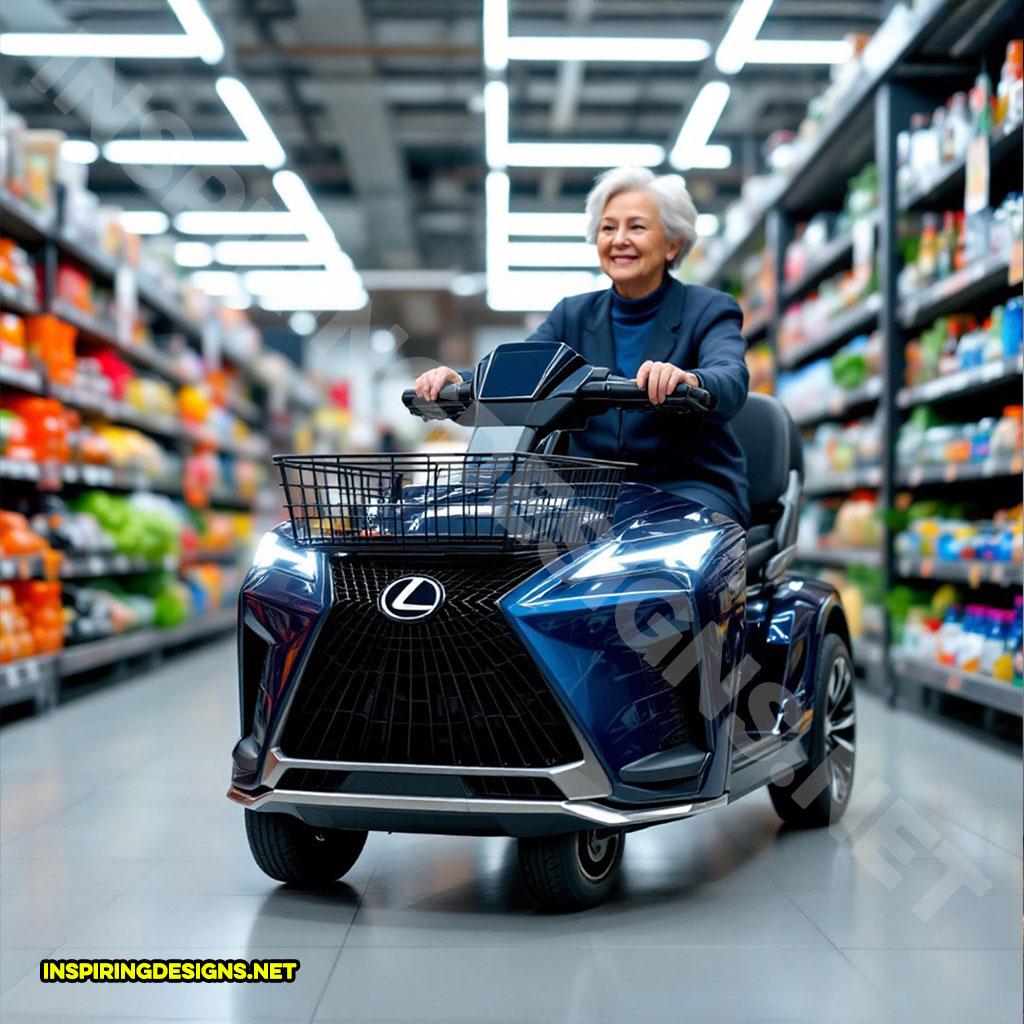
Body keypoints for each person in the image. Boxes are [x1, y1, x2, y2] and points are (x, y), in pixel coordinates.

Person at [414, 166, 750, 526]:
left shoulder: (709, 308)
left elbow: (730, 377)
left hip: (686, 485)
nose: (619, 239)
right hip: (589, 491)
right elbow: (514, 375)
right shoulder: (571, 315)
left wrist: (691, 380)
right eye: (608, 228)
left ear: (672, 244)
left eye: (636, 227)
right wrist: (455, 381)